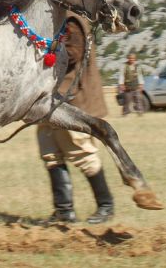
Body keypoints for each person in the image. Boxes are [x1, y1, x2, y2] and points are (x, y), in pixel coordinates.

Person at [37, 15, 114, 224]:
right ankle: (64, 210)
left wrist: (40, 50)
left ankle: (105, 205)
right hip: (51, 99)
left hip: (71, 99)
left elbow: (73, 53)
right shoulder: (60, 14)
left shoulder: (72, 19)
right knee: (50, 153)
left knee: (82, 152)